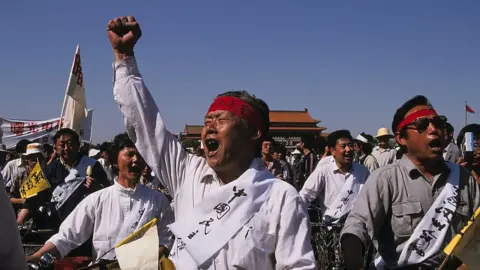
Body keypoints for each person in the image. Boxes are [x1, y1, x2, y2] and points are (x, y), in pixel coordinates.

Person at [108, 15, 315, 269]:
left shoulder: (280, 198)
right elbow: (144, 123)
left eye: (220, 120)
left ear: (254, 134)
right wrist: (124, 58)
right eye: (206, 121)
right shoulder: (187, 174)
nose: (208, 128)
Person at [341, 95, 480, 269]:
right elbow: (356, 227)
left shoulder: (464, 178)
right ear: (401, 138)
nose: (434, 130)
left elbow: (477, 234)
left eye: (438, 123)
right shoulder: (385, 179)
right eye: (423, 125)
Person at [26, 133, 174, 263]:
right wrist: (38, 256)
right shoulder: (97, 200)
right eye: (130, 154)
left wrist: (140, 262)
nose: (136, 160)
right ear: (115, 161)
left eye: (141, 156)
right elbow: (66, 237)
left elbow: (166, 240)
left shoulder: (158, 200)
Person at [300, 130, 369, 223]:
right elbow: (305, 196)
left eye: (350, 145)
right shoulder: (323, 171)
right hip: (331, 230)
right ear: (332, 151)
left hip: (358, 229)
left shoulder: (363, 172)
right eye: (343, 146)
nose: (348, 149)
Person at [0, 173, 28, 270]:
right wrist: (23, 201)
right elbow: (10, 198)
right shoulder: (19, 176)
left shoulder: (43, 175)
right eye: (30, 158)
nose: (33, 161)